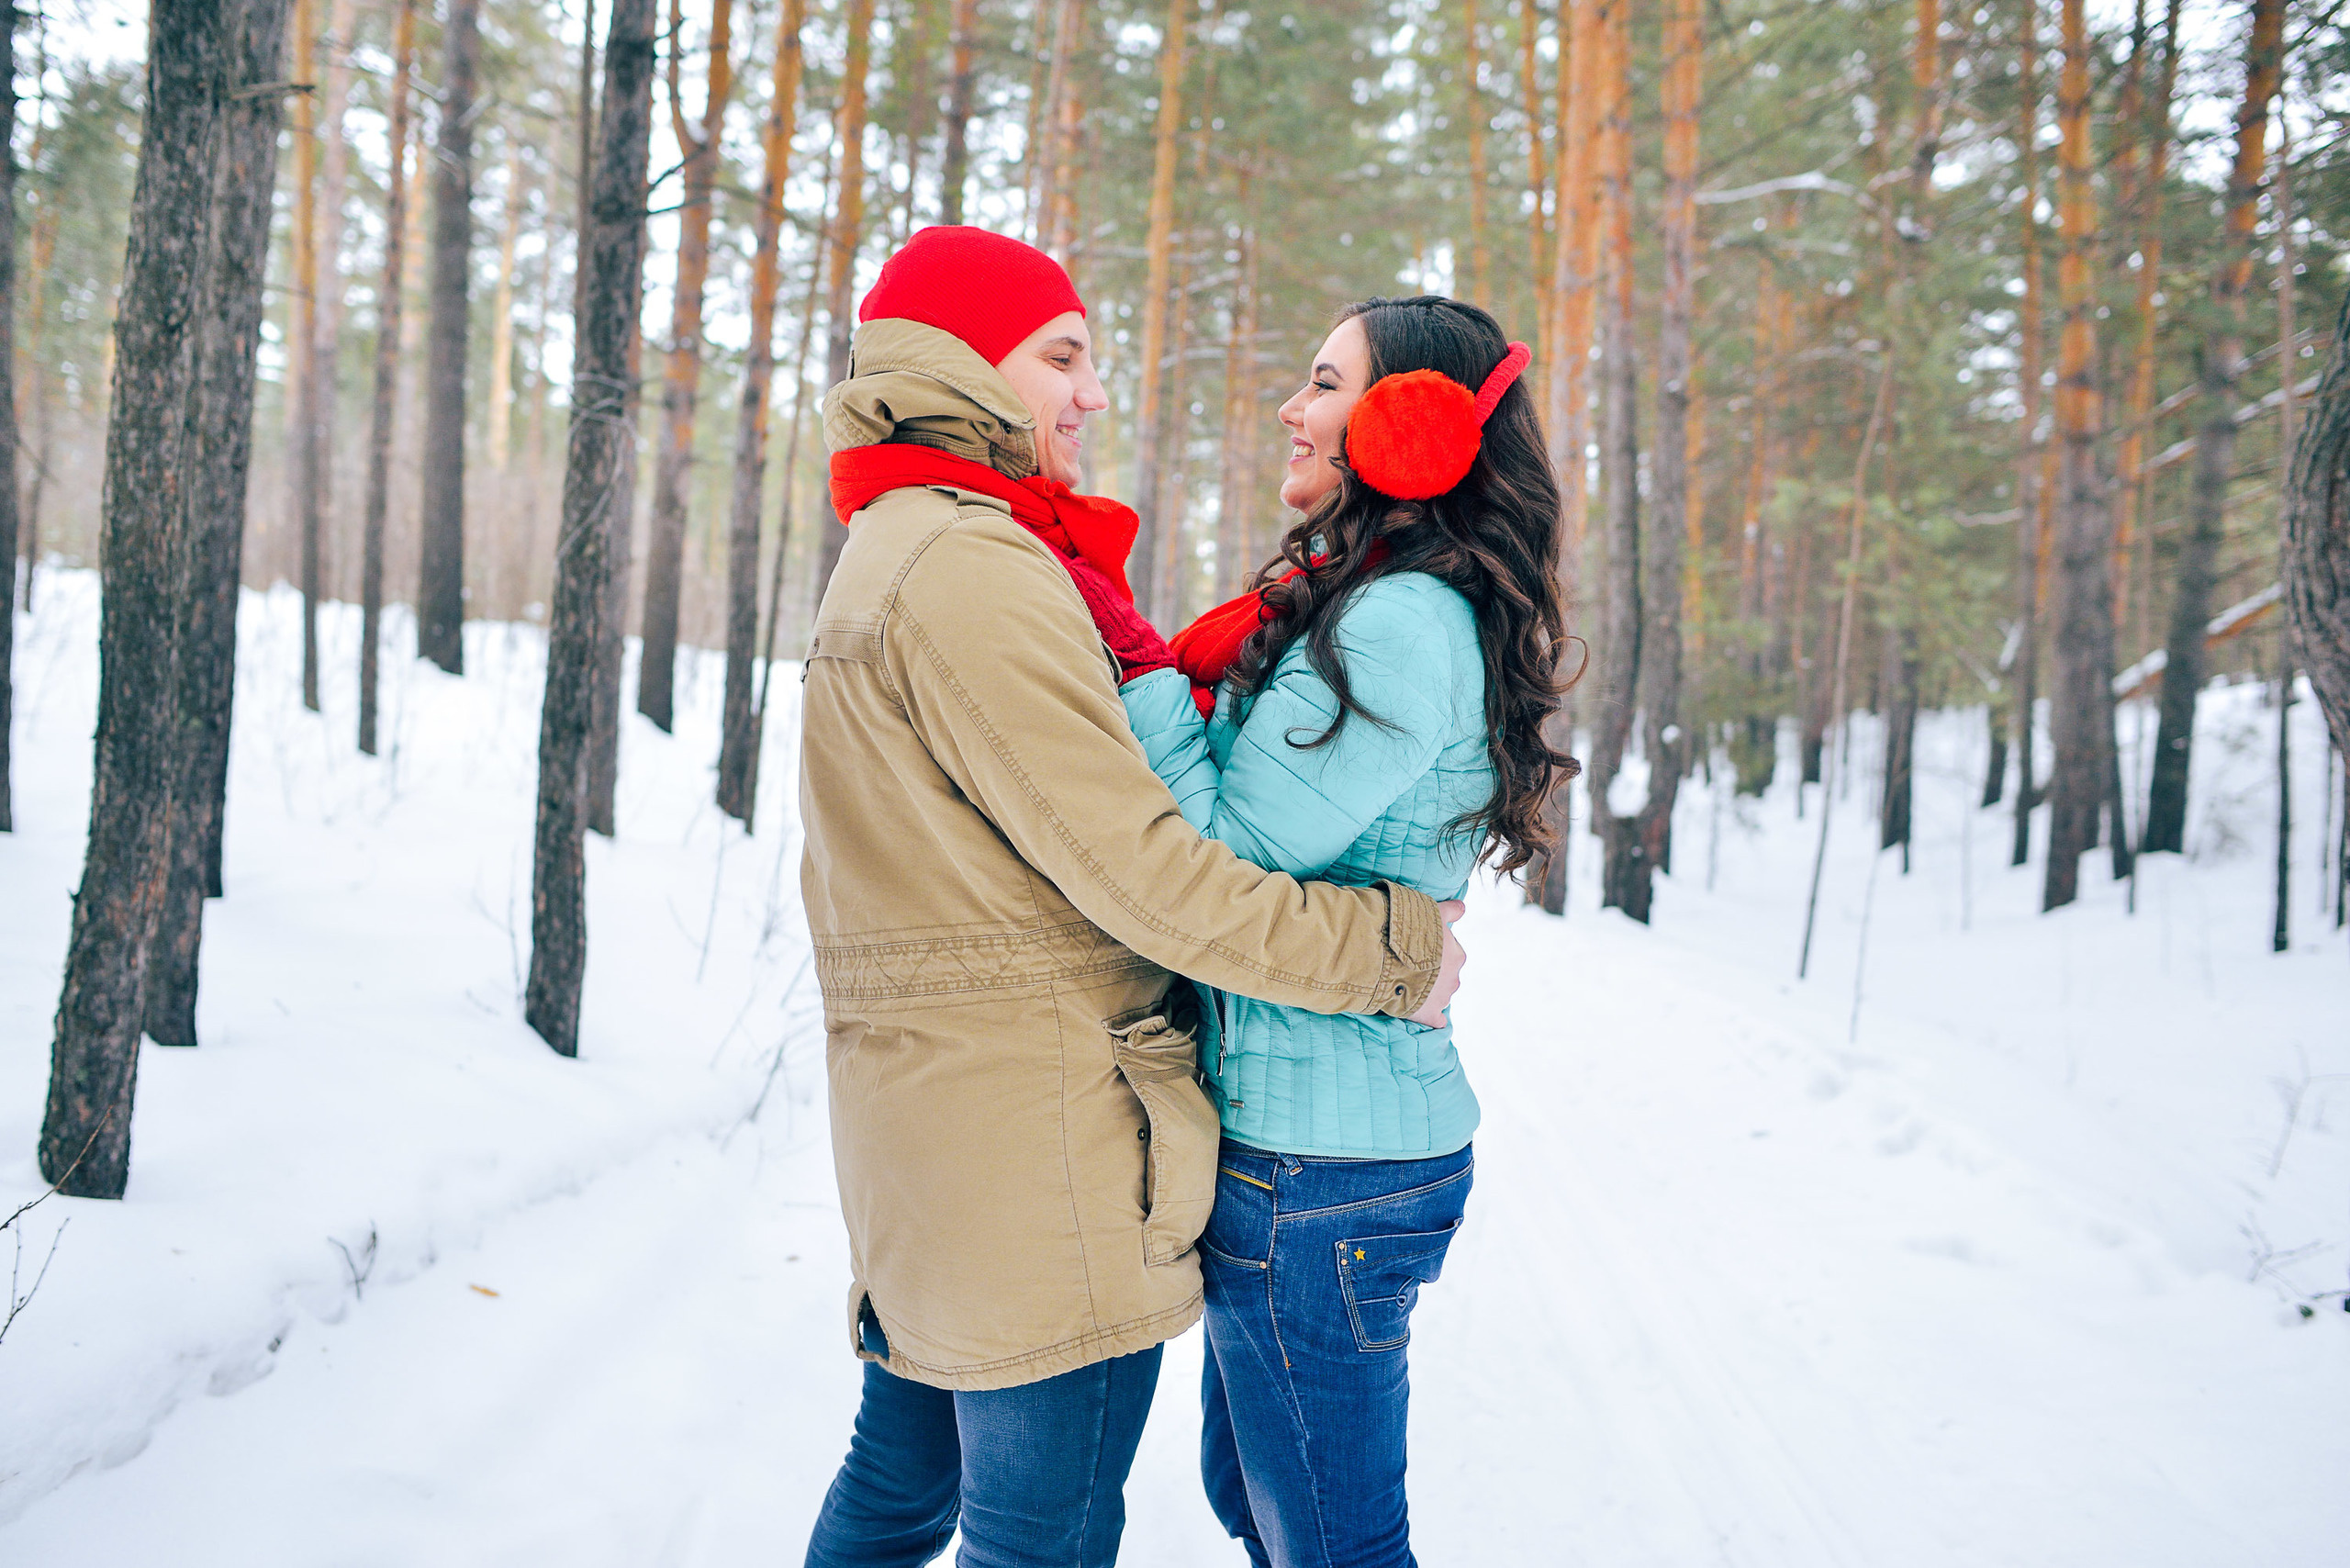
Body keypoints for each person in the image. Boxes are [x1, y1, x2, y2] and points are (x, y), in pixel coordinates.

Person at [796, 229, 1467, 1568]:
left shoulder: (899, 540)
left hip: (936, 1131)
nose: (1094, 393)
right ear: (963, 366)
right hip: (1036, 1151)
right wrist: (1392, 949)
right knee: (1033, 1535)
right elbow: (1158, 881)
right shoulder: (978, 570)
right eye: (1062, 358)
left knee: (899, 1485)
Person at [1099, 295, 1576, 1567]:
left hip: (1323, 1176)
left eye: (1323, 382)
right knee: (1257, 1496)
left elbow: (1216, 863)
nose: (1291, 409)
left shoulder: (1397, 620)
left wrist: (1135, 669)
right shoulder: (1361, 600)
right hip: (1309, 1154)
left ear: (1408, 426)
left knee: (1332, 1543)